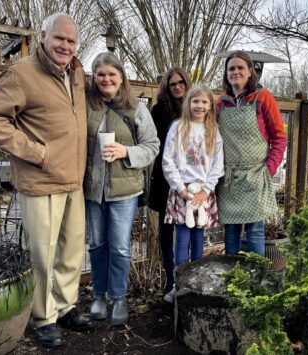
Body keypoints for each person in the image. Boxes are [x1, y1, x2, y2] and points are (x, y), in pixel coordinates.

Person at [0, 13, 92, 348]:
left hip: (73, 180)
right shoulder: (22, 73)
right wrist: (34, 152)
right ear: (43, 36)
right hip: (41, 181)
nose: (66, 46)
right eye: (60, 38)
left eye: (72, 41)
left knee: (71, 251)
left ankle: (67, 305)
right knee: (41, 255)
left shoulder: (76, 73)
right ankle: (43, 317)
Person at [84, 52, 159, 326]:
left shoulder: (137, 108)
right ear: (94, 77)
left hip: (125, 191)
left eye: (111, 74)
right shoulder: (85, 105)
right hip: (92, 189)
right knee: (96, 244)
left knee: (119, 247)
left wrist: (125, 151)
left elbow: (152, 145)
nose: (106, 79)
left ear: (121, 77)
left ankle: (119, 298)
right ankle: (99, 296)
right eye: (101, 74)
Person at [215, 50, 287, 256]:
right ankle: (233, 277)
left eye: (240, 68)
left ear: (249, 72)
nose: (235, 72)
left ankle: (256, 280)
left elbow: (279, 138)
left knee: (255, 230)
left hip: (255, 175)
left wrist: (269, 169)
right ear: (226, 74)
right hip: (228, 177)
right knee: (230, 230)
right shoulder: (221, 103)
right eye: (231, 69)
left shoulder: (263, 98)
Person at [162, 85, 224, 300]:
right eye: (195, 101)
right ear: (188, 103)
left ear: (210, 106)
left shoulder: (213, 131)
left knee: (198, 238)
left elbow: (218, 165)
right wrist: (180, 188)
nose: (200, 105)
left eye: (204, 102)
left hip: (203, 193)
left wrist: (206, 190)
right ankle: (178, 285)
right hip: (182, 190)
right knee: (181, 239)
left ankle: (196, 283)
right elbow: (167, 160)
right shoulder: (178, 127)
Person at [149, 68, 192, 303]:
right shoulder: (159, 110)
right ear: (166, 86)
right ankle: (169, 279)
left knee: (189, 229)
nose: (177, 86)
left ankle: (187, 278)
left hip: (190, 179)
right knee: (166, 232)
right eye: (172, 83)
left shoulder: (195, 108)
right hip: (166, 180)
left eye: (180, 82)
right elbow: (155, 143)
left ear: (187, 83)